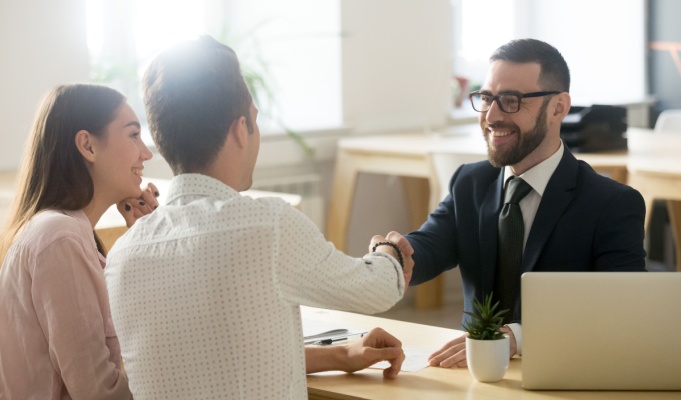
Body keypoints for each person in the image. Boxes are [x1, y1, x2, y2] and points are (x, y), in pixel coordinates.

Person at [103, 35, 414, 399]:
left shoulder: (121, 258)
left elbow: (215, 357)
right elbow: (378, 290)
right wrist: (388, 250)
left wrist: (341, 354)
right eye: (254, 120)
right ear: (240, 130)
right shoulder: (269, 227)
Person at [398, 38, 646, 367]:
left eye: (511, 101)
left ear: (558, 107)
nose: (492, 115)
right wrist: (395, 254)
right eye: (486, 98)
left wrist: (517, 338)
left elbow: (621, 310)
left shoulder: (612, 205)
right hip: (473, 376)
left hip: (564, 373)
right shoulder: (470, 182)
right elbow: (429, 245)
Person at [0, 83, 159, 399]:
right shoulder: (60, 238)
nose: (146, 153)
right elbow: (98, 392)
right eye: (132, 135)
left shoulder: (66, 234)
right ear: (87, 145)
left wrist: (143, 244)